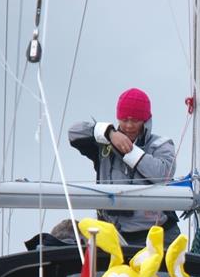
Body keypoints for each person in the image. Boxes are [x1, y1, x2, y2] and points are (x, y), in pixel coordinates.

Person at [68, 88, 179, 246]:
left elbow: (162, 174)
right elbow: (73, 133)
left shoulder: (161, 145)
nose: (128, 125)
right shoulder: (103, 143)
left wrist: (130, 151)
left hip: (157, 234)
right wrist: (109, 133)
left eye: (135, 120)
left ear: (146, 120)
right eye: (124, 119)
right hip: (112, 233)